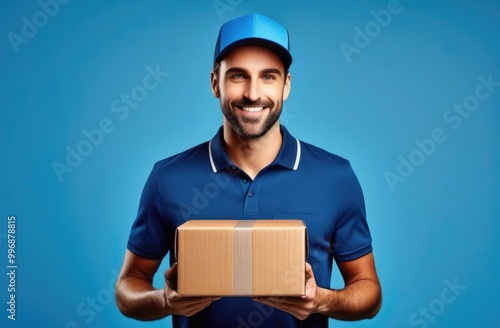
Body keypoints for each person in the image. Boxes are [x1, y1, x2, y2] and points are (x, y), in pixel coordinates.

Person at [115, 13, 382, 327]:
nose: (253, 93)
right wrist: (163, 300)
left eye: (268, 76)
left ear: (286, 86)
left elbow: (369, 294)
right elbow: (127, 289)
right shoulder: (168, 178)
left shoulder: (335, 177)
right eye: (238, 76)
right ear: (216, 83)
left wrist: (323, 301)